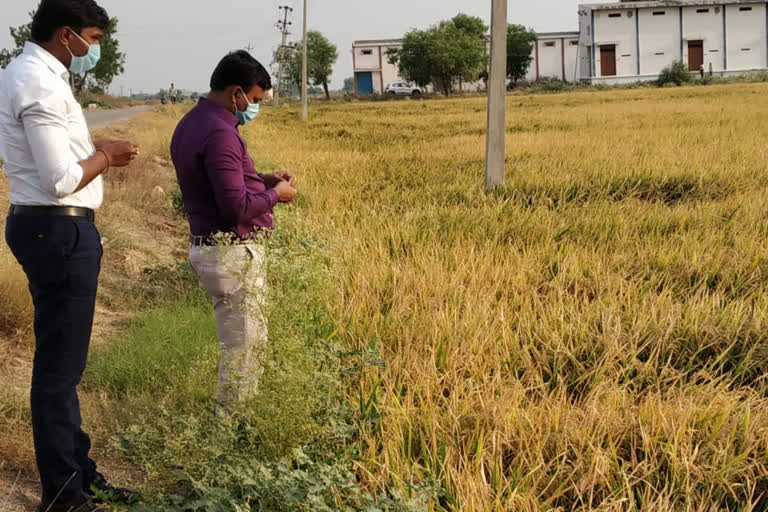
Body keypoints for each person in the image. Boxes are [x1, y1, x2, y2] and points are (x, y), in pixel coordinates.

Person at [0, 1, 140, 511]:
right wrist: (107, 157)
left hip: (50, 230)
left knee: (65, 367)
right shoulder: (37, 82)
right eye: (94, 37)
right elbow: (61, 180)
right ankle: (63, 495)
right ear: (66, 35)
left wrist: (91, 143)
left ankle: (79, 472)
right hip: (57, 231)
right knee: (59, 372)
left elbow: (53, 156)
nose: (95, 48)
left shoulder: (37, 74)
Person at [170, 51, 297, 413]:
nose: (254, 107)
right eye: (254, 100)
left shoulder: (191, 123)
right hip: (230, 253)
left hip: (208, 248)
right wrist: (276, 195)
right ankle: (232, 433)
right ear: (236, 92)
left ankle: (235, 424)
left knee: (240, 344)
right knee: (244, 350)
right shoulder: (221, 133)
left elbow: (217, 185)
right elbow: (235, 208)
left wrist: (262, 179)